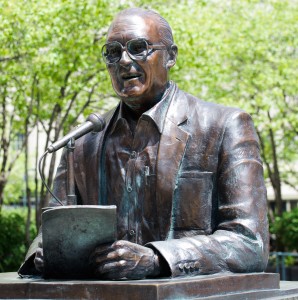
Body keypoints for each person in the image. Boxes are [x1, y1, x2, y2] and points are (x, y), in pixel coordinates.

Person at [19, 7, 269, 279]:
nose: (124, 61)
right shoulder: (82, 143)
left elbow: (249, 242)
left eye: (139, 48)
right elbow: (50, 231)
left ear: (170, 56)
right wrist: (45, 253)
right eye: (113, 52)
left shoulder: (224, 126)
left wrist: (157, 259)